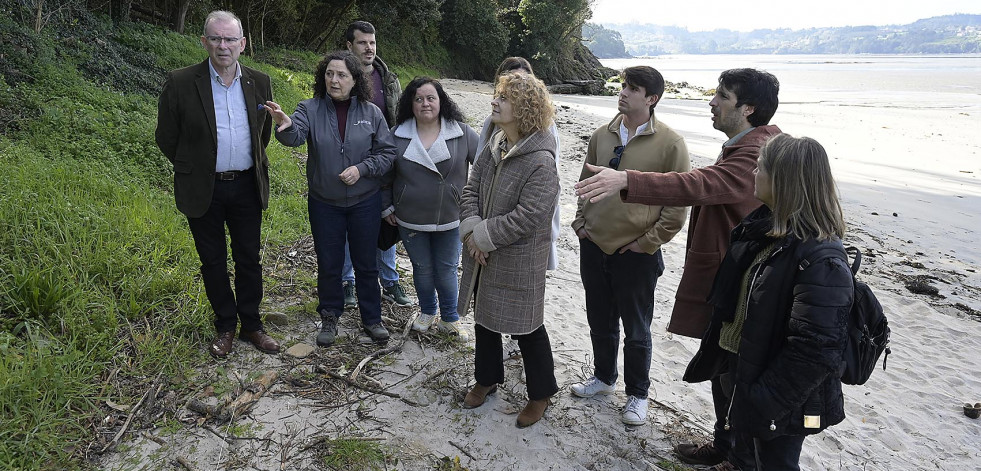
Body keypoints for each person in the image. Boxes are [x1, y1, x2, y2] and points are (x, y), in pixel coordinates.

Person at [574, 68, 781, 468]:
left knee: (736, 370)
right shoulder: (741, 145)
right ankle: (724, 445)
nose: (711, 101)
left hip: (746, 284)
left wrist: (628, 184)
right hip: (725, 278)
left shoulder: (759, 151)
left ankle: (734, 454)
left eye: (722, 96)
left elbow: (695, 186)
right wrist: (583, 221)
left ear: (749, 108)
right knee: (723, 364)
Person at [682, 133, 852, 470]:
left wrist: (762, 401)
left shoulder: (821, 258)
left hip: (781, 396)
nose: (752, 175)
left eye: (760, 168)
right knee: (745, 454)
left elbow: (816, 349)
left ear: (784, 181)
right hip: (747, 370)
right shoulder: (766, 230)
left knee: (775, 463)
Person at [569, 66, 690, 425]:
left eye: (632, 88)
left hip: (637, 254)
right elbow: (583, 183)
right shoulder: (602, 134)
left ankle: (638, 394)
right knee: (599, 320)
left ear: (651, 99)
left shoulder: (671, 143)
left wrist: (647, 243)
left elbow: (678, 204)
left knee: (637, 330)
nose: (622, 92)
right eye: (623, 85)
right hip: (594, 245)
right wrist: (580, 224)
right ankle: (604, 378)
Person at [155, 10, 279, 358]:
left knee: (249, 258)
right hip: (203, 188)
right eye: (215, 38)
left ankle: (252, 325)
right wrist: (195, 168)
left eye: (229, 40)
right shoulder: (181, 82)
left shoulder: (260, 81)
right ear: (204, 41)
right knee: (212, 260)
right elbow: (166, 136)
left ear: (242, 44)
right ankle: (225, 325)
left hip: (245, 186)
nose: (222, 46)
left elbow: (262, 134)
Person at [264, 51, 396, 346]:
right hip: (325, 202)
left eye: (341, 75)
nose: (334, 80)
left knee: (366, 263)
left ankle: (372, 319)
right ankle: (329, 315)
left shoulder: (371, 112)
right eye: (329, 74)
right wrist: (284, 125)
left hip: (365, 200)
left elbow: (387, 153)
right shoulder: (308, 108)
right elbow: (294, 136)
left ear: (355, 80)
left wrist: (362, 169)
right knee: (329, 262)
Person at [458, 73, 560, 428]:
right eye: (497, 95)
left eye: (504, 98)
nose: (494, 102)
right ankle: (486, 379)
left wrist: (481, 237)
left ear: (525, 109)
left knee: (527, 329)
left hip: (518, 259)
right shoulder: (497, 142)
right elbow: (470, 188)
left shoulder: (541, 161)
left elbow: (528, 217)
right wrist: (472, 232)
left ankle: (541, 394)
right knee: (484, 320)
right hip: (483, 252)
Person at [383, 77, 478, 339]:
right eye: (418, 99)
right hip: (409, 217)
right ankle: (426, 311)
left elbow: (485, 168)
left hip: (451, 216)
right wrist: (386, 206)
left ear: (441, 101)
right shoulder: (397, 134)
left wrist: (476, 205)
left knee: (447, 268)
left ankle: (449, 318)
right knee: (422, 268)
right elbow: (383, 175)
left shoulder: (462, 132)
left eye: (430, 98)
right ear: (410, 104)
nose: (425, 103)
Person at [340, 21, 411, 308]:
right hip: (348, 163)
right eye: (362, 43)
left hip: (383, 162)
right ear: (349, 46)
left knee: (387, 218)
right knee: (346, 224)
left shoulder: (388, 79)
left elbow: (400, 120)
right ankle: (348, 281)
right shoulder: (339, 77)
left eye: (372, 42)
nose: (369, 48)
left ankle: (390, 281)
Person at [477, 57, 561, 271]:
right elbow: (475, 180)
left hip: (517, 242)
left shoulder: (542, 144)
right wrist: (474, 230)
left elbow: (536, 204)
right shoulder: (492, 131)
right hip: (484, 227)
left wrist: (485, 236)